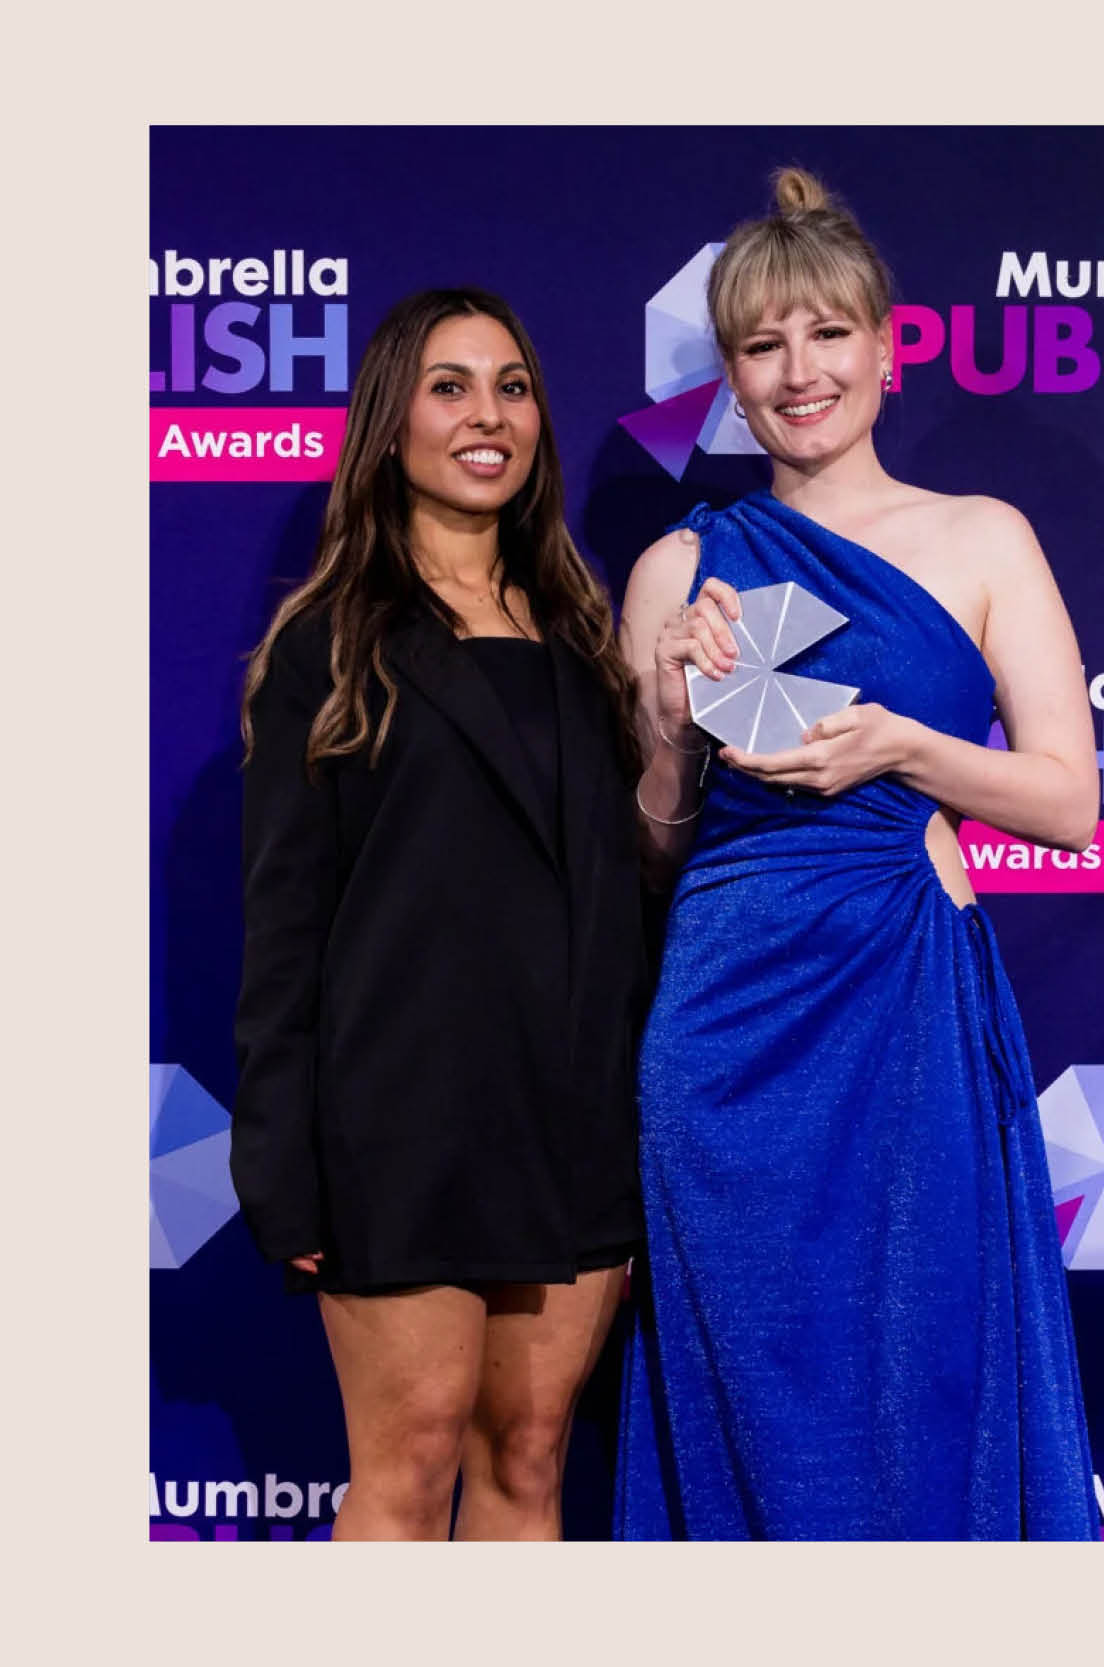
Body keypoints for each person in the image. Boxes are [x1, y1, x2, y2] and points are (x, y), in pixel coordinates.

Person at [612, 167, 1099, 1539]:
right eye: (762, 346)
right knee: (747, 1384)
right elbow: (654, 849)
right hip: (721, 1026)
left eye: (827, 334)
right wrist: (664, 721)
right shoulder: (681, 564)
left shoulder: (980, 534)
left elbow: (1066, 800)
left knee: (921, 1373)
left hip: (902, 1004)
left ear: (888, 346)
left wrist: (902, 750)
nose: (799, 371)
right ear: (731, 375)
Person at [231, 288, 649, 1540]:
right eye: (450, 385)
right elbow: (284, 929)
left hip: (573, 1111)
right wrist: (282, 1164)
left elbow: (632, 877)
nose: (489, 415)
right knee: (407, 1464)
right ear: (391, 422)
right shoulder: (332, 644)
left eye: (512, 386)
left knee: (526, 1456)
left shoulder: (587, 636)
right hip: (399, 1119)